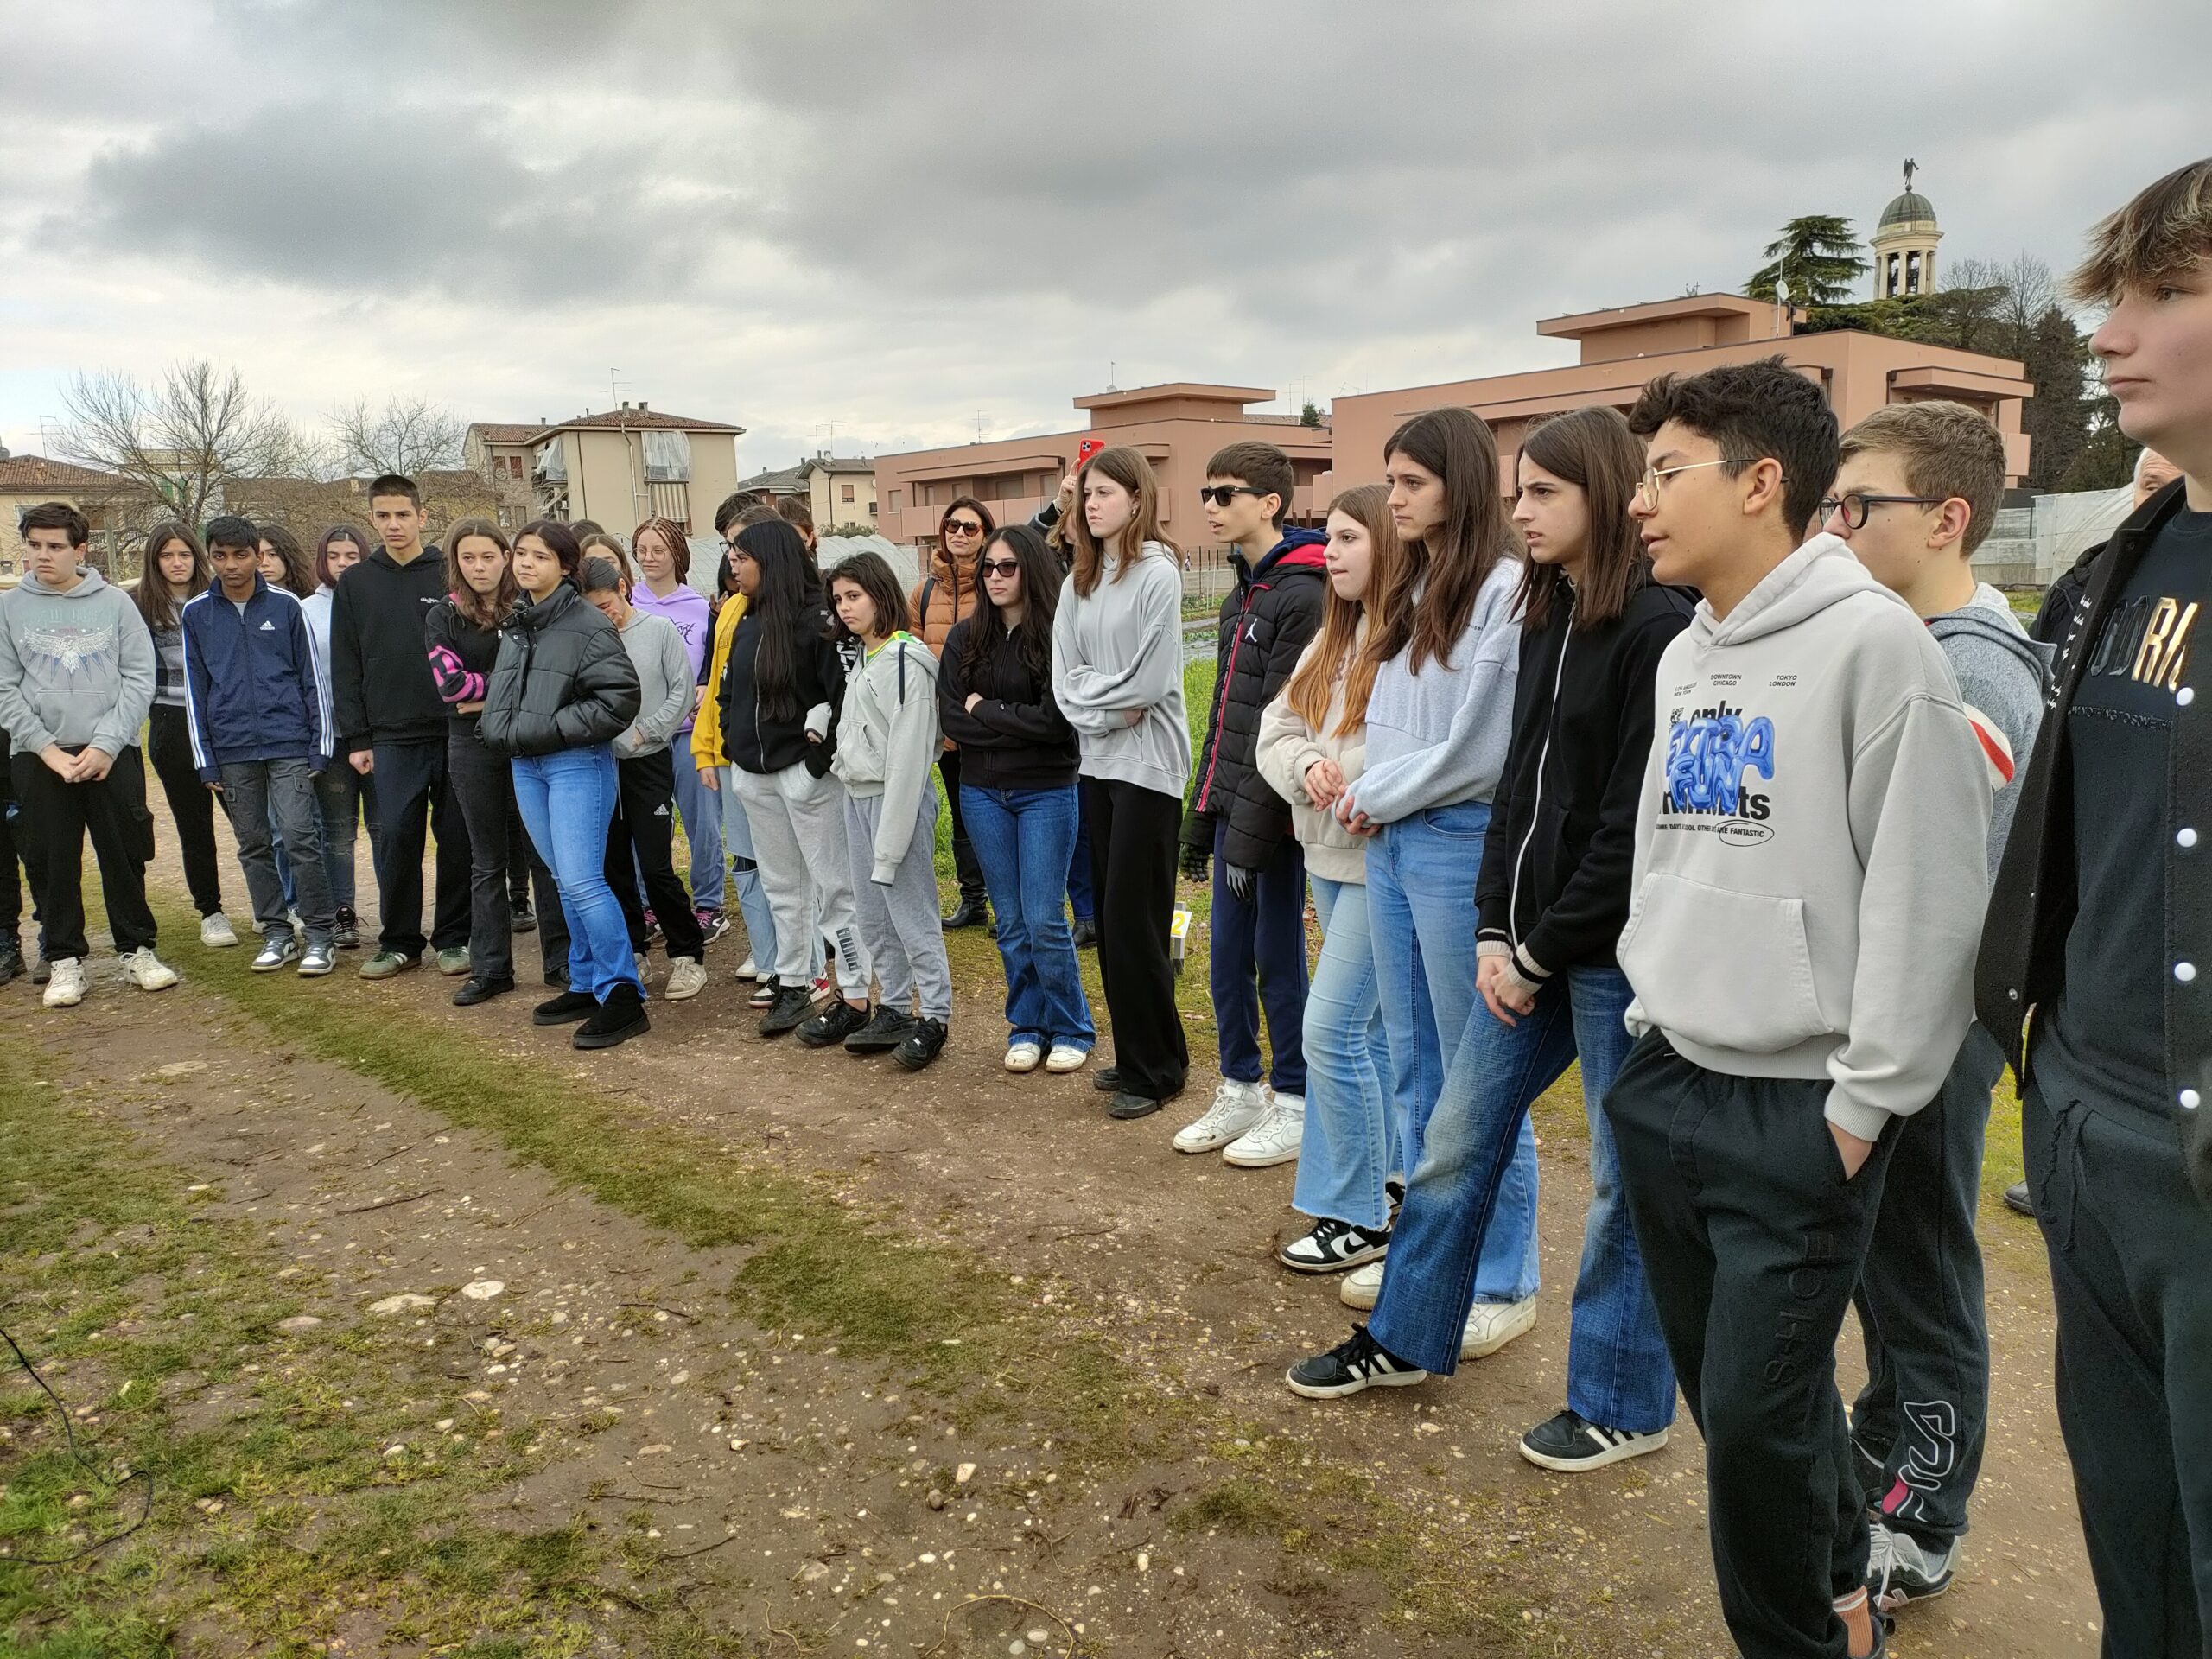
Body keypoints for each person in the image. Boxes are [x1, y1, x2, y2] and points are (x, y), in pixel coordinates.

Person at [1601, 358, 1990, 1659]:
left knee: (1757, 1435)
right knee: (1741, 1405)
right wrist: (1651, 1023)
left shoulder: (1879, 649)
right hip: (1672, 1083)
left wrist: (1863, 1105)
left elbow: (1929, 900)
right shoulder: (1684, 658)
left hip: (1802, 1111)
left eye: (1668, 473)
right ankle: (1840, 1586)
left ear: (1764, 482)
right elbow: (1667, 853)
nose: (1642, 502)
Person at [1288, 409, 1691, 1467]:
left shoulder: (1656, 630)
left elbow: (1621, 824)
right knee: (1458, 1133)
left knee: (1620, 1174)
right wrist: (1492, 928)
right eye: (1517, 492)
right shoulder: (1551, 615)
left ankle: (1622, 1401)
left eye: (1544, 493)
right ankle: (1408, 1336)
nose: (1523, 511)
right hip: (1524, 940)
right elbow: (1521, 786)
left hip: (1599, 955)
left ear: (1601, 494)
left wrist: (1540, 946)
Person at [1978, 158, 2212, 1659]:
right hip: (2083, 1132)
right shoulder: (2117, 563)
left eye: (2162, 295)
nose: (2109, 335)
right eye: (2108, 297)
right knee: (2140, 1570)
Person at [1825, 401, 2049, 1610]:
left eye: (1861, 505)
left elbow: (1930, 878)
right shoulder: (1905, 643)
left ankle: (1926, 1508)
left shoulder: (1969, 668)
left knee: (1919, 1262)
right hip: (1881, 1012)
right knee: (1884, 1262)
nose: (1837, 525)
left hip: (1930, 1024)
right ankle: (1886, 1447)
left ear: (1948, 518)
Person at [1314, 407, 1539, 1336]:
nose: (1395, 497)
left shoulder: (1505, 590)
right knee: (1413, 1064)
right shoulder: (1417, 587)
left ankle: (1501, 1280)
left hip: (1453, 840)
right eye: (1391, 480)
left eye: (1411, 482)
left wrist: (1382, 792)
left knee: (1475, 1076)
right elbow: (1400, 731)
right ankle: (1426, 1252)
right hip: (1396, 836)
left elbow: (1480, 747)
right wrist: (1376, 795)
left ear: (1458, 482)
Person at [1173, 442, 1327, 1166]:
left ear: (1270, 503)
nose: (1212, 505)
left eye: (1226, 492)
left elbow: (1280, 725)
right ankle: (1240, 1087)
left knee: (1277, 957)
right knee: (1225, 959)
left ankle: (1295, 1098)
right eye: (1207, 493)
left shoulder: (1306, 593)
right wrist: (1202, 820)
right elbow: (1225, 724)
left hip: (1275, 822)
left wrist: (1250, 838)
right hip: (1234, 810)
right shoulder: (1243, 593)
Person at [1255, 486, 1396, 1270]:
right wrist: (1307, 762)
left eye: (1347, 539)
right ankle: (1382, 1188)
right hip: (1324, 855)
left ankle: (1359, 1213)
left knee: (1332, 1030)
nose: (1330, 554)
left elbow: (1419, 743)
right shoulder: (1330, 639)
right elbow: (1275, 730)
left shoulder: (1413, 639)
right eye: (1329, 539)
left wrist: (1346, 774)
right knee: (1366, 1035)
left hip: (1380, 861)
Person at [1051, 445, 1191, 1122]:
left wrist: (1096, 698)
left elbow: (1154, 681)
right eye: (1086, 493)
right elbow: (1063, 675)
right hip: (1099, 761)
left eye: (1106, 492)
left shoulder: (1158, 573)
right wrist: (1104, 707)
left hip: (1149, 769)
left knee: (1136, 922)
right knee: (1108, 920)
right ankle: (1135, 1052)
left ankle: (1160, 1068)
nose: (1092, 503)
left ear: (1138, 499)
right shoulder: (1080, 578)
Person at [0, 502, 176, 1007]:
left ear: (81, 550)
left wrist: (105, 744)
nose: (42, 556)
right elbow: (5, 688)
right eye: (33, 546)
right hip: (39, 757)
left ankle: (137, 950)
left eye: (55, 546)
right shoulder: (10, 609)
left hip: (111, 752)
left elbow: (140, 678)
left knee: (124, 854)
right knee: (51, 860)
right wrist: (46, 750)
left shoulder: (116, 604)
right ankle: (64, 960)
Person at [480, 520, 647, 1049]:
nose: (527, 564)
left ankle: (623, 993)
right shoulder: (518, 623)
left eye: (541, 557)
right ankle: (586, 981)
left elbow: (619, 698)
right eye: (521, 554)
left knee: (581, 880)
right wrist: (502, 730)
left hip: (576, 763)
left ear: (566, 566)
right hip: (525, 766)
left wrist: (550, 730)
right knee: (560, 877)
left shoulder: (587, 623)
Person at [938, 523, 1092, 1072]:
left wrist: (985, 711)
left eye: (1008, 567)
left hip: (1047, 791)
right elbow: (950, 715)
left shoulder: (1057, 635)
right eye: (988, 568)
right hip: (982, 793)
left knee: (1045, 916)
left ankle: (1071, 1027)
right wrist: (1002, 721)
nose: (996, 576)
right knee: (1009, 918)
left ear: (1031, 569)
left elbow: (1057, 723)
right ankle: (1027, 1024)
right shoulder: (964, 638)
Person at [720, 518, 868, 1040]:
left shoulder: (818, 621)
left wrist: (815, 766)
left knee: (835, 887)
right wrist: (732, 746)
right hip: (754, 777)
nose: (733, 567)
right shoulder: (745, 619)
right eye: (731, 557)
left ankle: (855, 988)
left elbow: (845, 699)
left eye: (741, 557)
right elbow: (729, 691)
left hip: (805, 779)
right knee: (782, 885)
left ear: (772, 559)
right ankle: (795, 980)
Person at [329, 474, 474, 980]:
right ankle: (399, 942)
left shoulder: (448, 575)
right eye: (383, 516)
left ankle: (455, 939)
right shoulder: (356, 582)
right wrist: (357, 738)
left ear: (422, 517)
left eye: (402, 515)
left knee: (457, 839)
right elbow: (346, 665)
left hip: (455, 730)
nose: (394, 525)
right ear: (373, 519)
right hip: (389, 737)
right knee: (396, 840)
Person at [181, 516, 337, 976]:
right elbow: (196, 689)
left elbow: (312, 679)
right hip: (231, 750)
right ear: (210, 557)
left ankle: (321, 934)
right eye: (220, 556)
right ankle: (276, 931)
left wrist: (319, 744)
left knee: (298, 837)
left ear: (257, 556)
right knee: (252, 843)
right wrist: (205, 760)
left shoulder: (288, 606)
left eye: (241, 555)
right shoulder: (197, 613)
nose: (231, 565)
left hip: (289, 742)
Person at [425, 518, 569, 1007]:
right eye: (469, 558)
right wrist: (508, 686)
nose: (479, 567)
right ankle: (491, 969)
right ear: (456, 562)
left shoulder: (527, 607)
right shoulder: (442, 617)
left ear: (506, 557)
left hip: (528, 742)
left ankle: (561, 962)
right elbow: (451, 687)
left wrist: (491, 689)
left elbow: (546, 677)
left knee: (542, 856)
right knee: (485, 861)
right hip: (471, 746)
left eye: (489, 556)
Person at [827, 552, 953, 1068]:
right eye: (837, 599)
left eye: (854, 596)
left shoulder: (907, 661)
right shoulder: (864, 657)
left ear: (881, 595)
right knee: (872, 915)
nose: (844, 607)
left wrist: (893, 838)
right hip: (857, 797)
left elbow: (907, 757)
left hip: (893, 801)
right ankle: (897, 1005)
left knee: (911, 912)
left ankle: (936, 1016)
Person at [579, 555, 709, 1001]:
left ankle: (687, 954)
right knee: (613, 865)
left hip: (648, 759)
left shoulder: (657, 630)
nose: (604, 614)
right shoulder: (587, 639)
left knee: (655, 864)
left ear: (622, 587)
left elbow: (681, 688)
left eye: (606, 603)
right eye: (591, 608)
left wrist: (646, 731)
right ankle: (633, 948)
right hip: (600, 764)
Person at [695, 501, 789, 1004]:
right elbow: (716, 692)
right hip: (732, 760)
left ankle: (798, 964)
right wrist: (706, 750)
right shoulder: (730, 608)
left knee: (784, 867)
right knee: (747, 862)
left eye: (741, 545)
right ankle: (769, 959)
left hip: (779, 763)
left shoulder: (798, 611)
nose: (732, 557)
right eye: (729, 546)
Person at [132, 519, 236, 948]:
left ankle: (280, 905)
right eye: (167, 556)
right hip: (172, 723)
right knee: (194, 826)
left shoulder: (219, 601)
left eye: (184, 554)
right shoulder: (139, 605)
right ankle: (211, 911)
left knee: (249, 820)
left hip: (222, 723)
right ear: (155, 562)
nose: (177, 563)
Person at [630, 515, 724, 940]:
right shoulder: (627, 602)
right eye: (642, 550)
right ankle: (648, 905)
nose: (649, 558)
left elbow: (709, 667)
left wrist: (703, 688)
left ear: (677, 555)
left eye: (658, 550)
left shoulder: (701, 608)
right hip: (643, 736)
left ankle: (708, 904)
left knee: (702, 822)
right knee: (647, 825)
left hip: (689, 734)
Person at [913, 497, 995, 930]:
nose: (959, 533)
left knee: (995, 814)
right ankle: (973, 900)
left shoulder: (998, 582)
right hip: (944, 726)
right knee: (962, 815)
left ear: (985, 533)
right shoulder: (925, 590)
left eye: (970, 526)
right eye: (952, 525)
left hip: (990, 725)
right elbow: (907, 649)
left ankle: (1006, 901)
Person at [302, 525, 378, 949]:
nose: (344, 564)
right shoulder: (305, 610)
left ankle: (398, 918)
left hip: (379, 735)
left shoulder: (376, 602)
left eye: (352, 555)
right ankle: (342, 913)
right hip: (331, 739)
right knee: (338, 833)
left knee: (386, 830)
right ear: (323, 561)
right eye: (335, 556)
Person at [256, 524, 316, 599]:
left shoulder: (312, 601)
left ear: (289, 556)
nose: (264, 563)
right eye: (258, 557)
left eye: (272, 554)